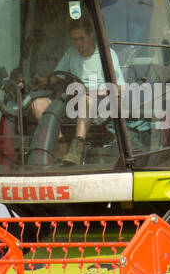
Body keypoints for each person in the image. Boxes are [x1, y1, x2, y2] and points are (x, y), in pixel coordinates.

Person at [29, 17, 124, 164]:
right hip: (74, 98)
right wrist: (43, 81)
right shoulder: (71, 53)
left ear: (91, 35)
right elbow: (57, 76)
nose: (78, 43)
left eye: (82, 38)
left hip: (99, 101)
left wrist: (103, 91)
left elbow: (121, 87)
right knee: (38, 104)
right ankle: (60, 143)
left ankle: (77, 147)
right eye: (74, 39)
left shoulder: (107, 54)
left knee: (84, 99)